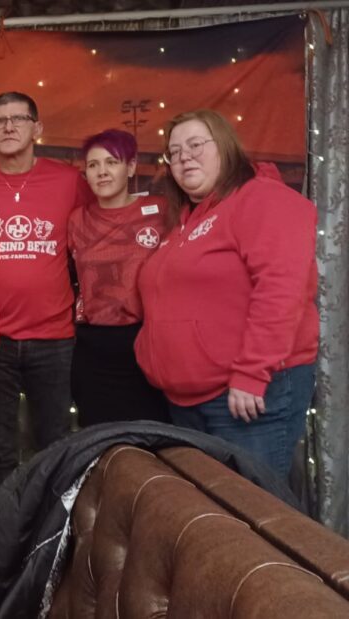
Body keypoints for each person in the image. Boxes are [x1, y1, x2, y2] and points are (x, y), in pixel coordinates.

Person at [135, 110, 318, 478]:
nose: (184, 157)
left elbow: (281, 290)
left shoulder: (262, 198)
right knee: (210, 508)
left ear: (225, 146)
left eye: (195, 145)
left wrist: (252, 373)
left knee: (252, 507)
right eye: (174, 152)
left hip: (245, 397)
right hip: (187, 401)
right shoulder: (187, 220)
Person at [0, 91, 91, 498]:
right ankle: (2, 528)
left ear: (37, 128)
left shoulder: (70, 182)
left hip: (55, 337)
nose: (8, 127)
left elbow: (98, 233)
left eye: (18, 119)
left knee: (56, 442)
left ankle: (54, 527)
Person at [68, 129, 169, 426]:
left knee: (152, 434)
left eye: (111, 162)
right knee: (98, 435)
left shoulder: (161, 212)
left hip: (146, 340)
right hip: (93, 346)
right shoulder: (77, 219)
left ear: (131, 166)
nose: (102, 171)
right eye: (93, 165)